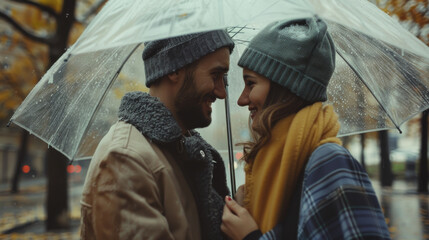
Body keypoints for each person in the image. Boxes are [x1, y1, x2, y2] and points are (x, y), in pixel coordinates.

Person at [221, 17, 391, 240]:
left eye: (251, 83)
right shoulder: (270, 166)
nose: (242, 100)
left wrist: (250, 237)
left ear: (284, 86)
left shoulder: (330, 163)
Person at [80, 30, 234, 240]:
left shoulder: (182, 150)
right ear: (175, 69)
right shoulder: (125, 161)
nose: (221, 92)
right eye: (215, 75)